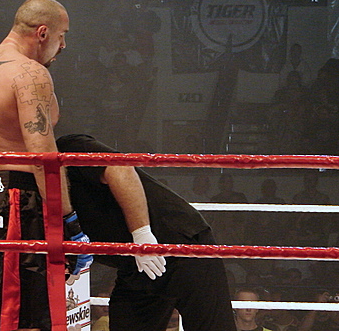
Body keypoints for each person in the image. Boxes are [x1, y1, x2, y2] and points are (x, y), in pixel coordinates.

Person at [0, 0, 91, 331]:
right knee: (25, 316)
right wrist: (69, 222)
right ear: (43, 32)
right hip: (18, 202)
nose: (63, 45)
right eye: (61, 35)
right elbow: (42, 156)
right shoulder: (29, 73)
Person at [56, 133, 237, 331]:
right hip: (134, 267)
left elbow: (120, 168)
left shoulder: (68, 148)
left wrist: (141, 234)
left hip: (180, 243)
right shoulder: (33, 195)